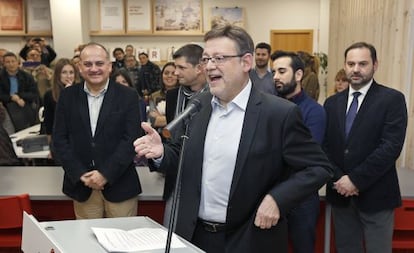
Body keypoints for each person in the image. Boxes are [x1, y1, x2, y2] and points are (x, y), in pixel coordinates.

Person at [134, 24, 333, 253]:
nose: (209, 66)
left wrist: (277, 199)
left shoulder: (279, 113)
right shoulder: (199, 106)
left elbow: (318, 168)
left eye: (219, 58)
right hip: (194, 235)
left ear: (246, 62)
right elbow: (183, 154)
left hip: (250, 238)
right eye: (206, 59)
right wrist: (161, 153)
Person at [323, 42, 407, 253]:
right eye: (351, 64)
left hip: (376, 196)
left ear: (375, 65)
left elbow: (390, 147)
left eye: (363, 63)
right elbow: (324, 148)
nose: (356, 69)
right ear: (345, 65)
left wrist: (355, 180)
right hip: (341, 195)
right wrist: (339, 180)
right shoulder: (331, 103)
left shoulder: (392, 100)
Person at [53, 42, 143, 219]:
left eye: (99, 63)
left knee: (122, 243)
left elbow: (131, 138)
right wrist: (80, 174)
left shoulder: (128, 96)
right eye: (88, 64)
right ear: (80, 67)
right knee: (87, 243)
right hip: (82, 185)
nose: (94, 69)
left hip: (119, 184)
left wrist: (105, 174)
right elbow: (59, 139)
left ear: (109, 66)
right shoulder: (67, 96)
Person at [271, 50, 326, 253]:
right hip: (269, 195)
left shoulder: (314, 111)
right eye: (273, 71)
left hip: (301, 198)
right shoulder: (268, 107)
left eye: (282, 71)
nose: (275, 76)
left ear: (299, 75)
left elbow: (306, 158)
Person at [162, 43, 209, 227]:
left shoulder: (214, 96)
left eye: (181, 67)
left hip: (204, 181)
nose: (175, 73)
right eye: (175, 67)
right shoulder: (173, 96)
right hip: (176, 180)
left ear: (199, 68)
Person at [43, 58, 79, 161]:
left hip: (78, 140)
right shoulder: (49, 95)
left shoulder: (81, 92)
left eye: (71, 72)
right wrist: (50, 146)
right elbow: (49, 122)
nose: (68, 76)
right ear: (58, 74)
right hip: (59, 141)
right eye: (64, 72)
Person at [0, 52, 40, 131]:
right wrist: (12, 98)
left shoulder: (27, 76)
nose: (11, 64)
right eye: (8, 62)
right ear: (4, 64)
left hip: (24, 103)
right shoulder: (1, 77)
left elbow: (34, 94)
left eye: (13, 61)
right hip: (6, 105)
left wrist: (19, 96)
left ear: (18, 63)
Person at [148, 62, 178, 131]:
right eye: (166, 73)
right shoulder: (154, 96)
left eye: (173, 73)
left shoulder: (183, 95)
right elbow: (154, 121)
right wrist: (174, 119)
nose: (169, 76)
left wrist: (160, 117)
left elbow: (182, 120)